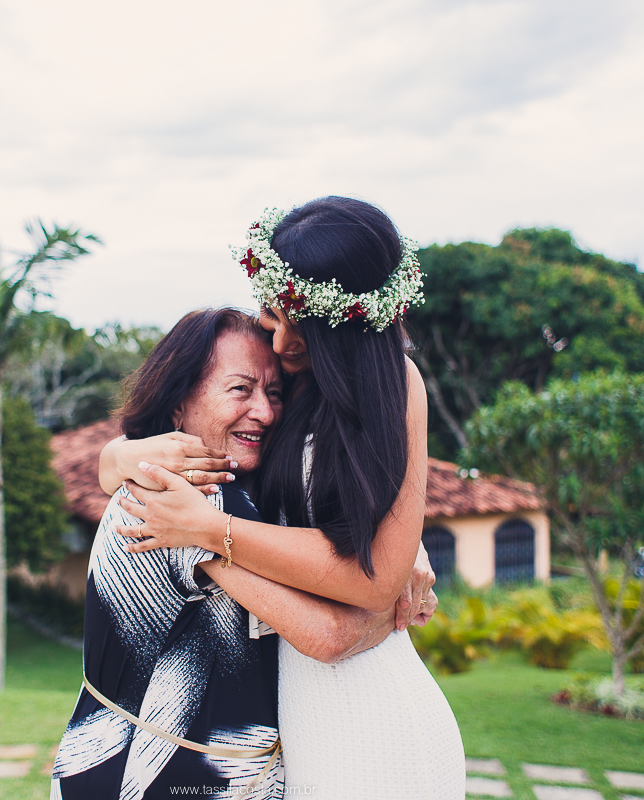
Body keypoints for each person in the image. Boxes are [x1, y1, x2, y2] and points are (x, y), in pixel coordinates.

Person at [100, 197, 465, 799]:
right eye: (272, 312)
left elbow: (371, 584)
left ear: (346, 324)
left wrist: (206, 539)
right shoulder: (283, 390)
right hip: (297, 727)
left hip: (376, 728)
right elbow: (153, 445)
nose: (282, 339)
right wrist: (118, 458)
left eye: (303, 323)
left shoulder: (395, 387)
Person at [52, 308, 401, 800]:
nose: (265, 411)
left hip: (102, 766)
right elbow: (330, 634)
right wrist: (391, 588)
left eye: (274, 392)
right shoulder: (203, 501)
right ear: (177, 405)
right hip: (173, 781)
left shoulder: (191, 490)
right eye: (240, 390)